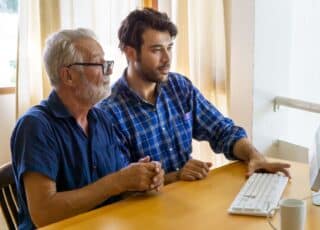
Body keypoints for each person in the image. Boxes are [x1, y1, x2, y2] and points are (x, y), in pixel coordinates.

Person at [98, 8, 290, 184]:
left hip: (186, 203)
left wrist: (254, 155)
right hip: (143, 213)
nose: (167, 58)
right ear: (131, 53)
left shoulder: (179, 87)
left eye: (170, 47)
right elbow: (121, 185)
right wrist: (178, 176)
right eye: (156, 50)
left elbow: (222, 131)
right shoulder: (109, 112)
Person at [11, 28, 164, 230]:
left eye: (107, 63)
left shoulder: (101, 118)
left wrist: (142, 178)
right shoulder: (35, 126)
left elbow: (118, 186)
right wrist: (117, 182)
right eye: (98, 64)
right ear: (68, 76)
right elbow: (44, 213)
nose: (109, 71)